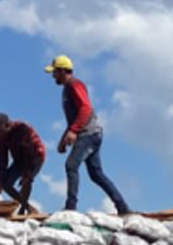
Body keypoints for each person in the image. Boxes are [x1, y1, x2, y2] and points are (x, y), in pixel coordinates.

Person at [44, 54, 130, 214]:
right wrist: (64, 138)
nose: (53, 76)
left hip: (88, 133)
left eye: (54, 72)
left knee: (71, 165)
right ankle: (122, 207)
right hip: (90, 133)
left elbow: (85, 108)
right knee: (96, 174)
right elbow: (74, 117)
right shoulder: (67, 88)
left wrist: (74, 131)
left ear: (63, 71)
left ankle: (70, 208)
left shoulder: (74, 85)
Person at [0, 112, 45, 215]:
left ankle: (24, 209)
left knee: (27, 181)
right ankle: (28, 206)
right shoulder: (1, 137)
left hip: (35, 156)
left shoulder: (22, 129)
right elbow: (2, 160)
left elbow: (28, 152)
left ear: (7, 126)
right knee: (6, 184)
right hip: (19, 160)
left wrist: (27, 174)